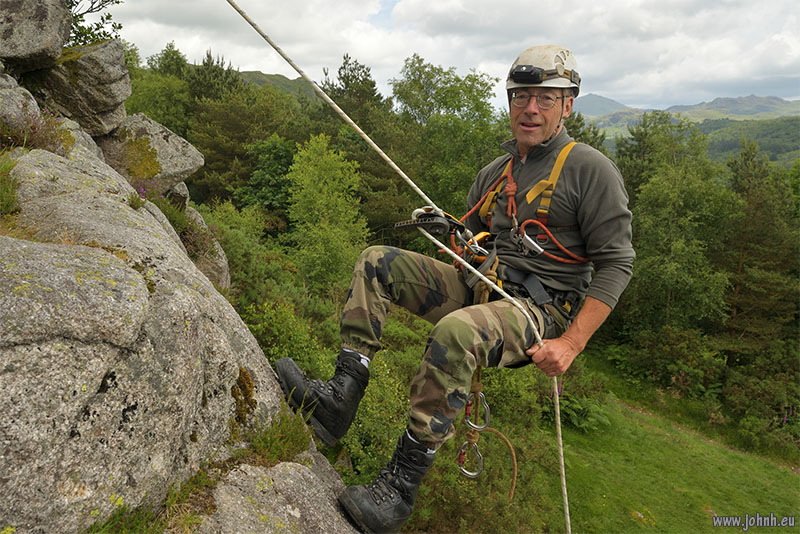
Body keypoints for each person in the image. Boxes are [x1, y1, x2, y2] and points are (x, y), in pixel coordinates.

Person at [275, 44, 634, 534]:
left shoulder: (590, 170)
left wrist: (571, 343)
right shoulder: (495, 174)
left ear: (567, 105)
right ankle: (339, 398)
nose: (530, 108)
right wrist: (455, 238)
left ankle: (399, 489)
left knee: (457, 333)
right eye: (521, 97)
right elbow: (473, 246)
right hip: (483, 287)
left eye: (545, 99)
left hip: (541, 310)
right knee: (377, 263)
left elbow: (617, 263)